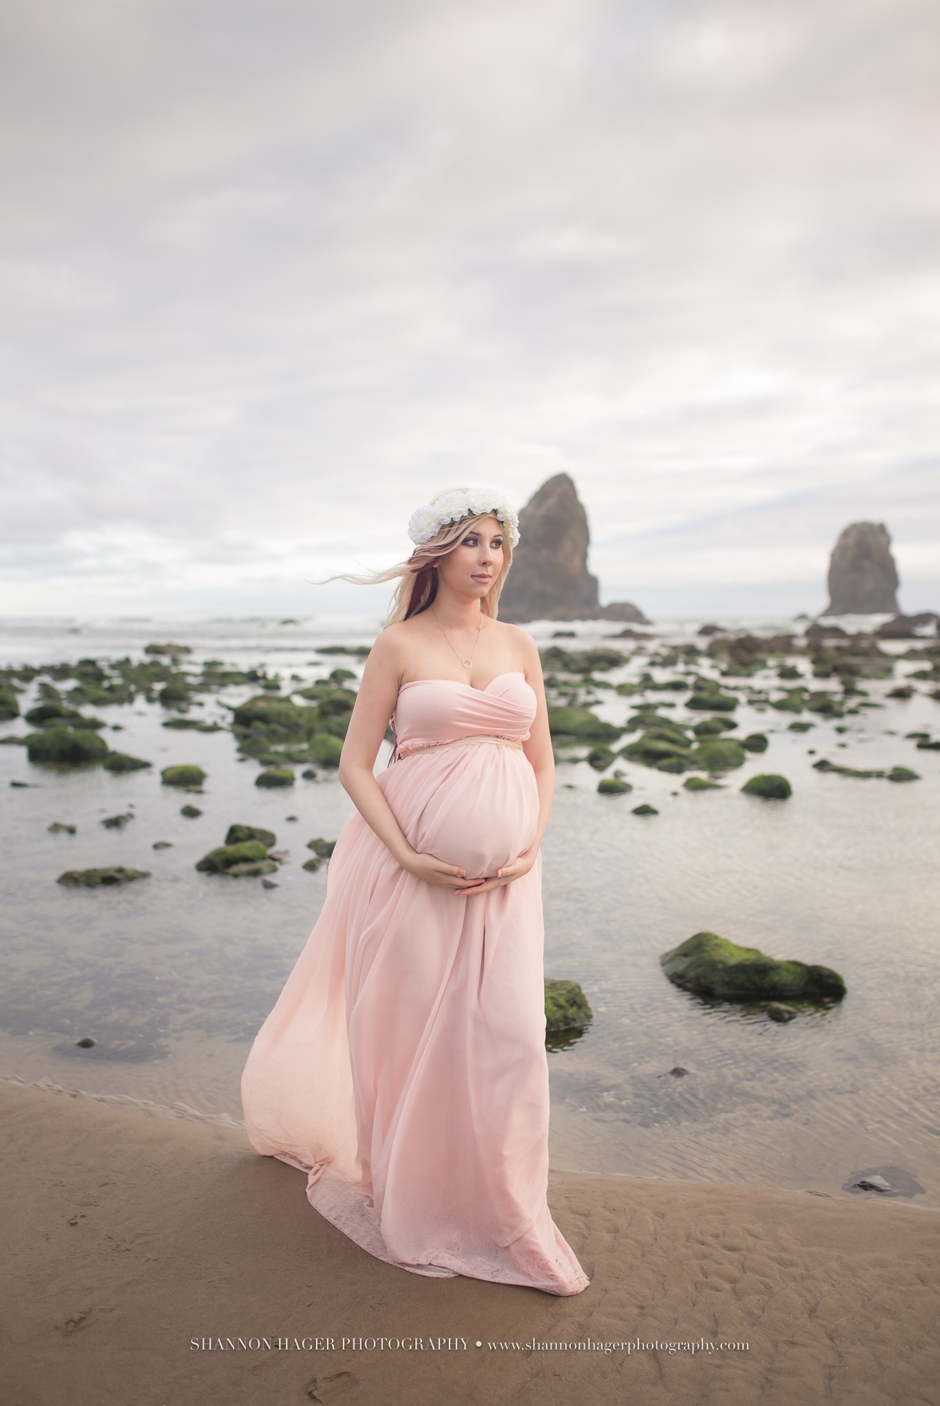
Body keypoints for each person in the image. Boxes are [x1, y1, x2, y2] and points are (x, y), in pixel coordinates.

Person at [240, 487, 589, 1295]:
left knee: (506, 1037)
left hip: (506, 884)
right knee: (410, 1037)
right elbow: (355, 765)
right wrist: (408, 854)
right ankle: (416, 1201)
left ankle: (508, 1214)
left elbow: (542, 762)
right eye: (472, 541)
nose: (488, 556)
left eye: (498, 543)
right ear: (437, 555)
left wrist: (529, 845)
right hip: (409, 876)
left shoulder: (519, 643)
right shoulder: (399, 645)